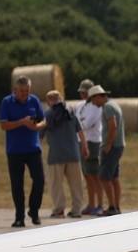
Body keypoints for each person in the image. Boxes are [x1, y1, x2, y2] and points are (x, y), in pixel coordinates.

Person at [0, 76, 46, 228]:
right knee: (17, 184)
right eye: (22, 91)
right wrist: (21, 122)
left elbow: (43, 120)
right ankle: (19, 217)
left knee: (39, 180)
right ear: (15, 90)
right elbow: (3, 125)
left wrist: (37, 127)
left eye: (27, 91)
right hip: (14, 150)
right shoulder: (7, 102)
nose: (25, 94)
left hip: (33, 148)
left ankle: (34, 210)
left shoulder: (34, 100)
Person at [42, 90, 87, 218]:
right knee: (76, 184)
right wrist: (84, 146)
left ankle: (59, 209)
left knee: (56, 184)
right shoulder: (71, 113)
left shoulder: (48, 115)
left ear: (48, 101)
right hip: (73, 153)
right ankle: (77, 210)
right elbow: (80, 132)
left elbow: (40, 134)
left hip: (56, 155)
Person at [86, 85, 125, 216]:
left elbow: (113, 126)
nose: (93, 103)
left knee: (104, 177)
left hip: (112, 147)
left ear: (98, 96)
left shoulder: (107, 107)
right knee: (114, 177)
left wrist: (108, 144)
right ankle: (116, 206)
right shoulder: (114, 104)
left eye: (93, 99)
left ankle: (112, 207)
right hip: (119, 145)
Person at [75, 79, 105, 215]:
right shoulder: (80, 105)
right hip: (81, 141)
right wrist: (80, 124)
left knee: (95, 175)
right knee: (87, 175)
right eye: (81, 92)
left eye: (84, 92)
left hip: (92, 142)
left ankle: (100, 204)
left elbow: (87, 124)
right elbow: (77, 121)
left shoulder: (96, 106)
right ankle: (91, 204)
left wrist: (80, 124)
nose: (82, 94)